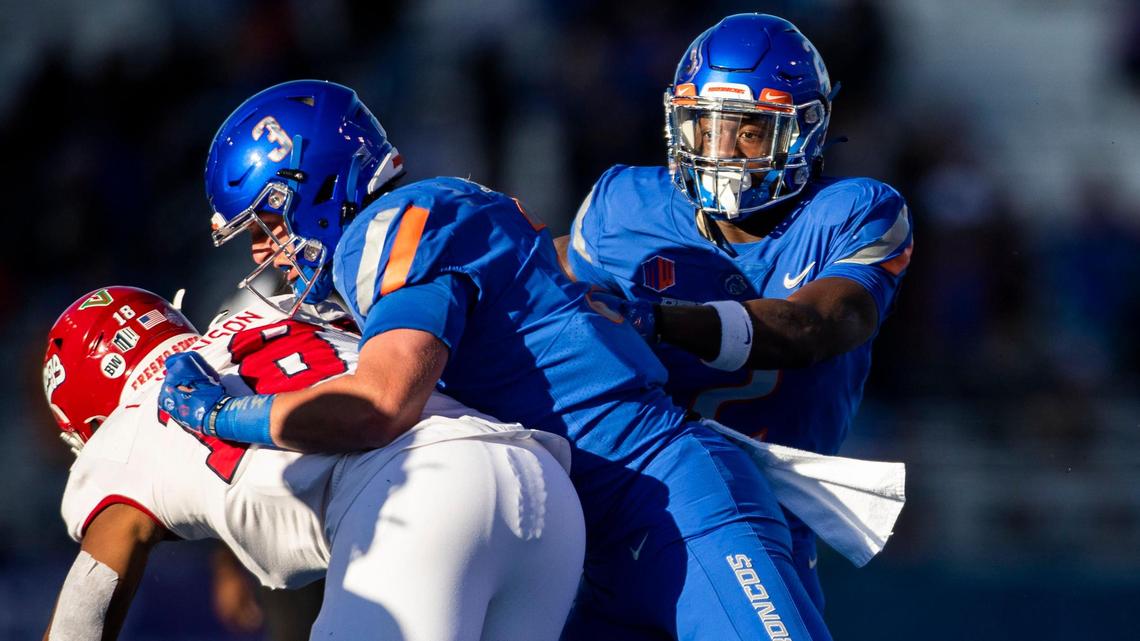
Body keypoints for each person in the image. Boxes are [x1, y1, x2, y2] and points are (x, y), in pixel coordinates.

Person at [162, 78, 843, 640]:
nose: (263, 251)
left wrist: (226, 414)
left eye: (268, 224)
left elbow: (377, 405)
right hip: (600, 544)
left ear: (308, 187)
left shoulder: (390, 230)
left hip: (669, 503)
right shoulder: (398, 243)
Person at [554, 13, 914, 608]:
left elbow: (812, 328)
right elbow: (532, 293)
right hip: (612, 507)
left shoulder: (855, 212)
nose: (720, 151)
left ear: (805, 130)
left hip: (758, 521)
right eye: (703, 127)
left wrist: (656, 319)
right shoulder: (622, 206)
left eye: (748, 131)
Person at [40, 286, 584, 641]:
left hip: (421, 499)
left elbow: (85, 609)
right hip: (538, 480)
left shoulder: (125, 428)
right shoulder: (270, 311)